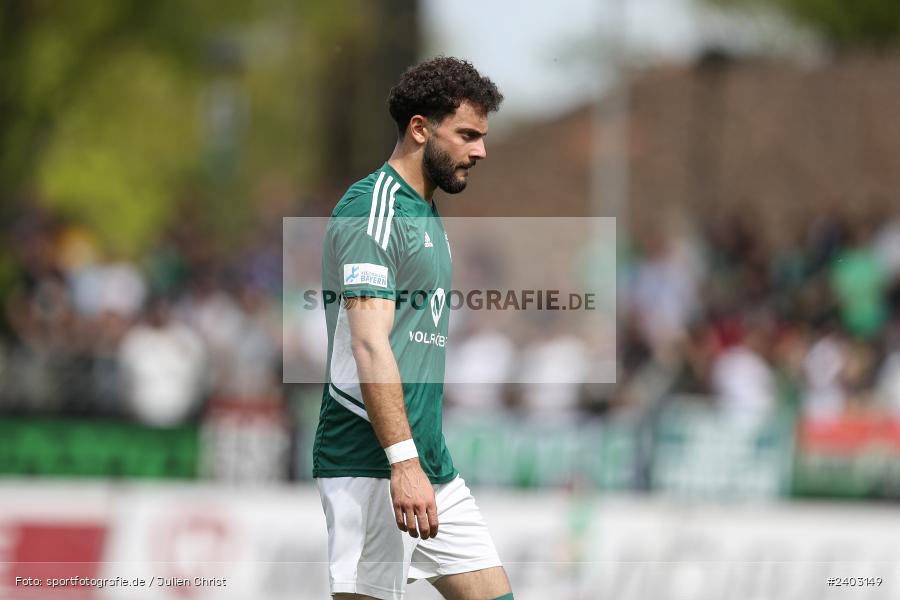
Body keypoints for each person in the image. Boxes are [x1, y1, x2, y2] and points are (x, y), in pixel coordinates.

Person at [312, 57, 513, 600]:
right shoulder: (372, 207)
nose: (481, 150)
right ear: (421, 129)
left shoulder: (424, 211)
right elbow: (369, 343)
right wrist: (402, 464)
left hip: (428, 465)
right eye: (468, 134)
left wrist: (417, 463)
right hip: (371, 459)